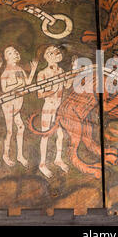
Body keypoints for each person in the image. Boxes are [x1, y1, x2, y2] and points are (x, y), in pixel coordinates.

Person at [37, 45, 75, 178]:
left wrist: (73, 70)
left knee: (60, 134)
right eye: (54, 52)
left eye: (58, 52)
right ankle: (42, 164)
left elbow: (67, 85)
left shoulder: (61, 71)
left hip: (59, 107)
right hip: (49, 106)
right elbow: (39, 94)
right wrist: (51, 91)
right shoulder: (42, 73)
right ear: (47, 56)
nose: (58, 54)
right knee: (46, 134)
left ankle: (58, 159)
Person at [0, 46, 38, 167]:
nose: (15, 53)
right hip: (9, 103)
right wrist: (17, 85)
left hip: (17, 103)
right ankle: (5, 155)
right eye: (11, 53)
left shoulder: (18, 69)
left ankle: (20, 155)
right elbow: (5, 89)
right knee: (10, 131)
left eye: (16, 51)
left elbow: (27, 83)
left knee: (21, 128)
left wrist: (33, 70)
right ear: (6, 58)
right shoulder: (6, 71)